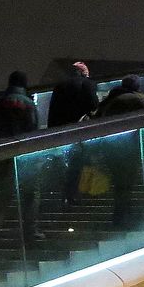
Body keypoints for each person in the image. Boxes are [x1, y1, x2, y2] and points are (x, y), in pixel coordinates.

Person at [0, 71, 41, 250]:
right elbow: (33, 131)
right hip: (25, 158)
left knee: (1, 197)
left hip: (2, 157)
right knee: (30, 195)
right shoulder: (28, 104)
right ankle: (30, 232)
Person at [95, 76, 144, 227]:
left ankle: (121, 216)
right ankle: (121, 217)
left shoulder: (110, 99)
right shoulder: (132, 99)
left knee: (120, 184)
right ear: (136, 87)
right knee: (126, 184)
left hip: (109, 148)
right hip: (126, 149)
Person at [47, 61, 99, 204]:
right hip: (81, 131)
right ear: (84, 73)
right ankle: (80, 193)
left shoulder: (59, 86)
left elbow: (52, 112)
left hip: (61, 132)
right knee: (81, 162)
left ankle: (66, 194)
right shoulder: (87, 84)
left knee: (68, 163)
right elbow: (94, 106)